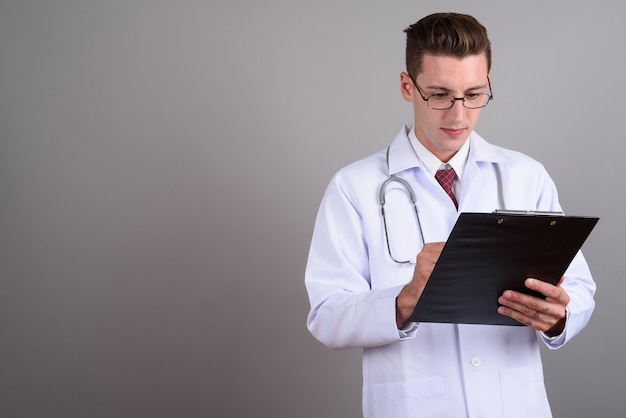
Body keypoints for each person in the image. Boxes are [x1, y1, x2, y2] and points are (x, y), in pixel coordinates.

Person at [304, 12, 595, 418]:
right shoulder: (353, 187)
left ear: (488, 84)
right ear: (408, 86)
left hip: (514, 406)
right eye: (439, 95)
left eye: (474, 94)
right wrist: (405, 300)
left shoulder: (526, 176)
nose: (459, 115)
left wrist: (559, 316)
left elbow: (579, 287)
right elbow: (327, 317)